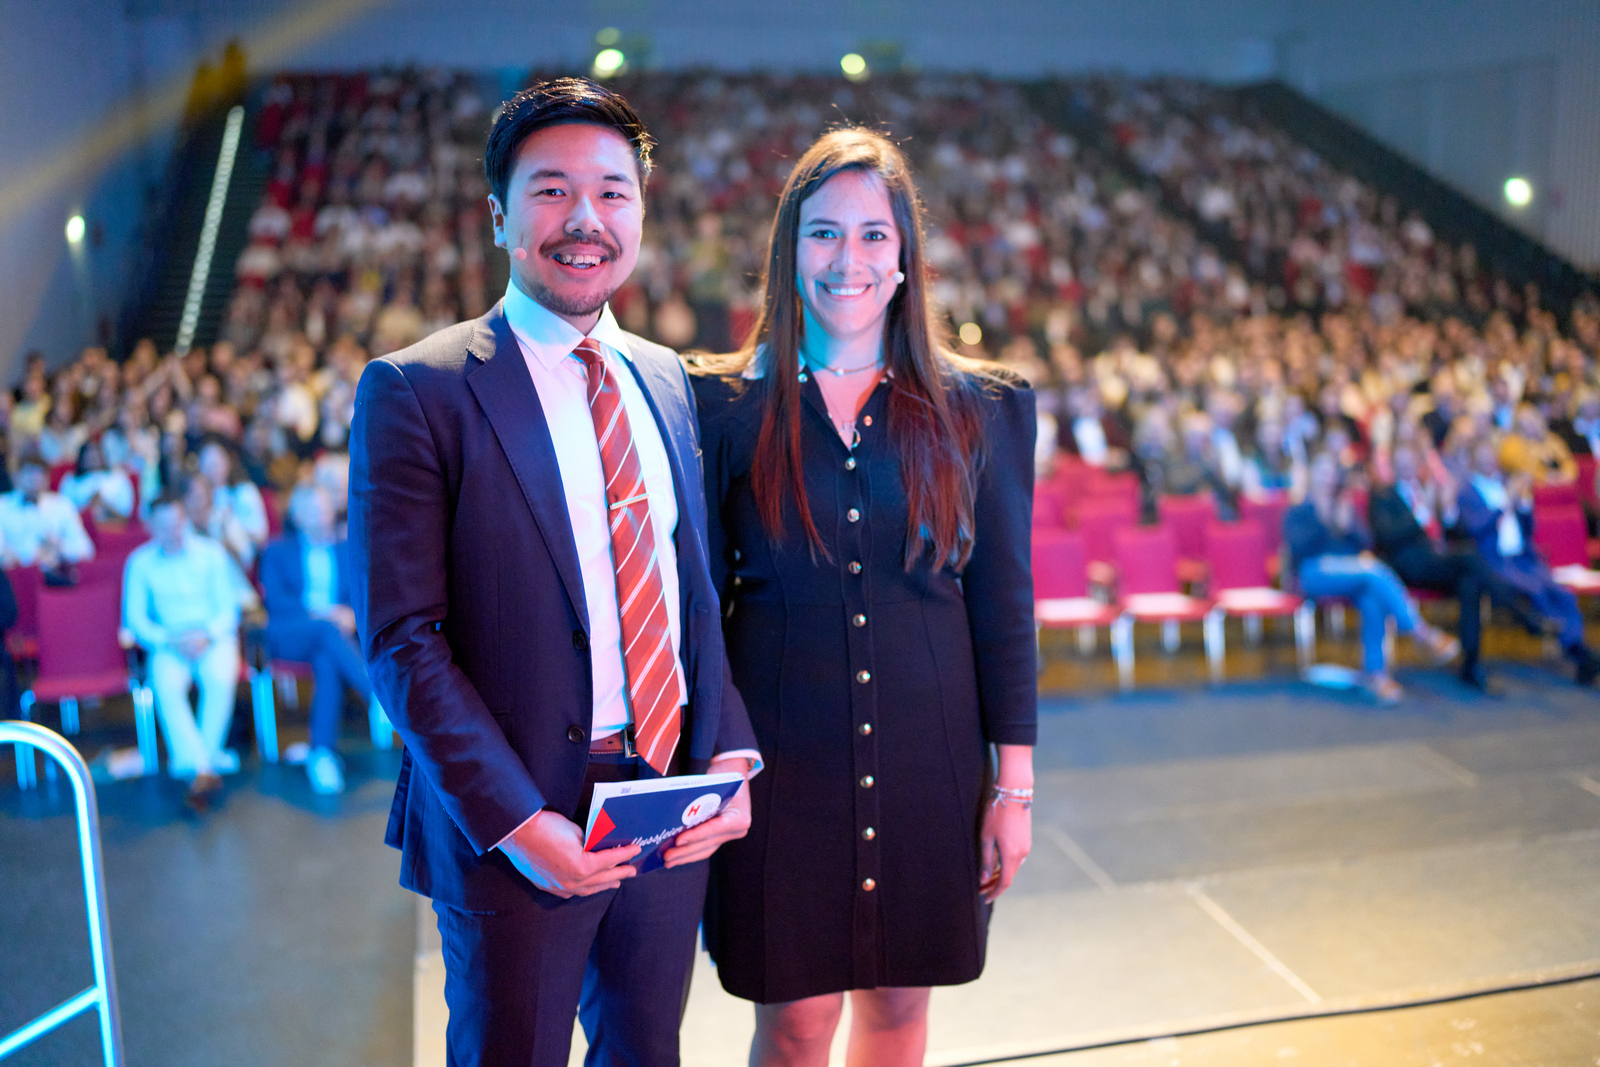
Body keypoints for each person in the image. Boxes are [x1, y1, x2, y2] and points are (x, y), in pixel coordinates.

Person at [348, 79, 759, 1067]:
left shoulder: (664, 378)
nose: (586, 220)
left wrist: (731, 757)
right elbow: (401, 638)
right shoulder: (419, 389)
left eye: (613, 192)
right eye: (551, 191)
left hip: (662, 802)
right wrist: (519, 821)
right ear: (498, 214)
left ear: (642, 212)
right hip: (512, 822)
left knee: (644, 1052)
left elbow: (690, 593)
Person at [690, 128, 1037, 1067]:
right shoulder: (720, 409)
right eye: (824, 233)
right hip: (778, 767)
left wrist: (1013, 787)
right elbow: (698, 614)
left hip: (934, 760)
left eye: (875, 235)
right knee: (795, 1024)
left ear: (907, 253)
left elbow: (1004, 610)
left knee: (899, 1014)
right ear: (787, 251)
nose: (850, 259)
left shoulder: (984, 409)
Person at [1285, 450, 1460, 703]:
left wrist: (1347, 526)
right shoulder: (1300, 508)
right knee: (1373, 570)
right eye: (1321, 472)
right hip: (1312, 573)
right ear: (1312, 475)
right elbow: (1300, 548)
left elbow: (1365, 542)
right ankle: (1421, 633)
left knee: (1371, 595)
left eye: (1331, 473)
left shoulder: (1343, 507)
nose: (1326, 478)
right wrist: (1325, 522)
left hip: (1349, 572)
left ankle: (1376, 676)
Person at [1368, 443, 1530, 691]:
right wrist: (1422, 514)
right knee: (1468, 557)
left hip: (1438, 561)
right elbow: (1386, 537)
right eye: (1400, 462)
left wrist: (1448, 512)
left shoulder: (1428, 490)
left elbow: (1455, 533)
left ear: (1417, 462)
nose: (1406, 467)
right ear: (1393, 465)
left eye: (1409, 460)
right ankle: (1516, 610)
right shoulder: (1383, 495)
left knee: (1471, 582)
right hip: (1409, 564)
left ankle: (1471, 666)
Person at [259, 483, 381, 795]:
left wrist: (352, 615)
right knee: (327, 632)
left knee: (327, 659)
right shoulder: (276, 550)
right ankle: (377, 697)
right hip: (289, 634)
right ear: (297, 516)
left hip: (332, 641)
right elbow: (276, 602)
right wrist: (326, 614)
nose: (322, 515)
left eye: (325, 508)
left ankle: (321, 755)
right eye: (313, 509)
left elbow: (364, 595)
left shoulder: (347, 548)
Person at [122, 492, 242, 811]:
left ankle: (194, 767)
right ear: (150, 527)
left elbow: (228, 611)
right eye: (164, 526)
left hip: (212, 636)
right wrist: (170, 639)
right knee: (165, 685)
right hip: (169, 640)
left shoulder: (212, 553)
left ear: (185, 521)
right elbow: (135, 619)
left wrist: (205, 635)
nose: (172, 532)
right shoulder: (139, 562)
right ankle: (205, 766)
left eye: (177, 524)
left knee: (219, 679)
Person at [1458, 437, 1600, 684]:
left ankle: (1577, 650)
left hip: (1525, 557)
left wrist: (1523, 504)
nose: (1489, 462)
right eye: (1483, 458)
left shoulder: (1507, 484)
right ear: (1474, 461)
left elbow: (1529, 528)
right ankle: (1576, 651)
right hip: (1495, 560)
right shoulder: (1468, 491)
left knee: (1563, 595)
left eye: (1491, 457)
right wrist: (1506, 503)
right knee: (1537, 592)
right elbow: (1476, 528)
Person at [0, 457, 95, 569]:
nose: (34, 478)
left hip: (55, 574)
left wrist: (58, 548)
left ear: (47, 479)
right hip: (16, 575)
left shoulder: (61, 505)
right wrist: (29, 555)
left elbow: (86, 549)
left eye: (40, 473)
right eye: (29, 472)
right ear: (16, 476)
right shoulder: (3, 506)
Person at [59, 438, 136, 524]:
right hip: (80, 526)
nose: (93, 457)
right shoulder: (70, 480)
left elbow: (126, 515)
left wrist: (104, 504)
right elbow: (64, 513)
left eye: (96, 453)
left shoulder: (118, 478)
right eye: (89, 454)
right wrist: (89, 507)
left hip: (114, 525)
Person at [1498, 403, 1577, 486]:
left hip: (1560, 485)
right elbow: (1523, 470)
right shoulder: (1512, 444)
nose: (1532, 424)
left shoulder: (1552, 439)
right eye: (1526, 422)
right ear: (1519, 426)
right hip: (1532, 489)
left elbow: (1568, 461)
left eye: (1534, 419)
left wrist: (1566, 475)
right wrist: (1546, 476)